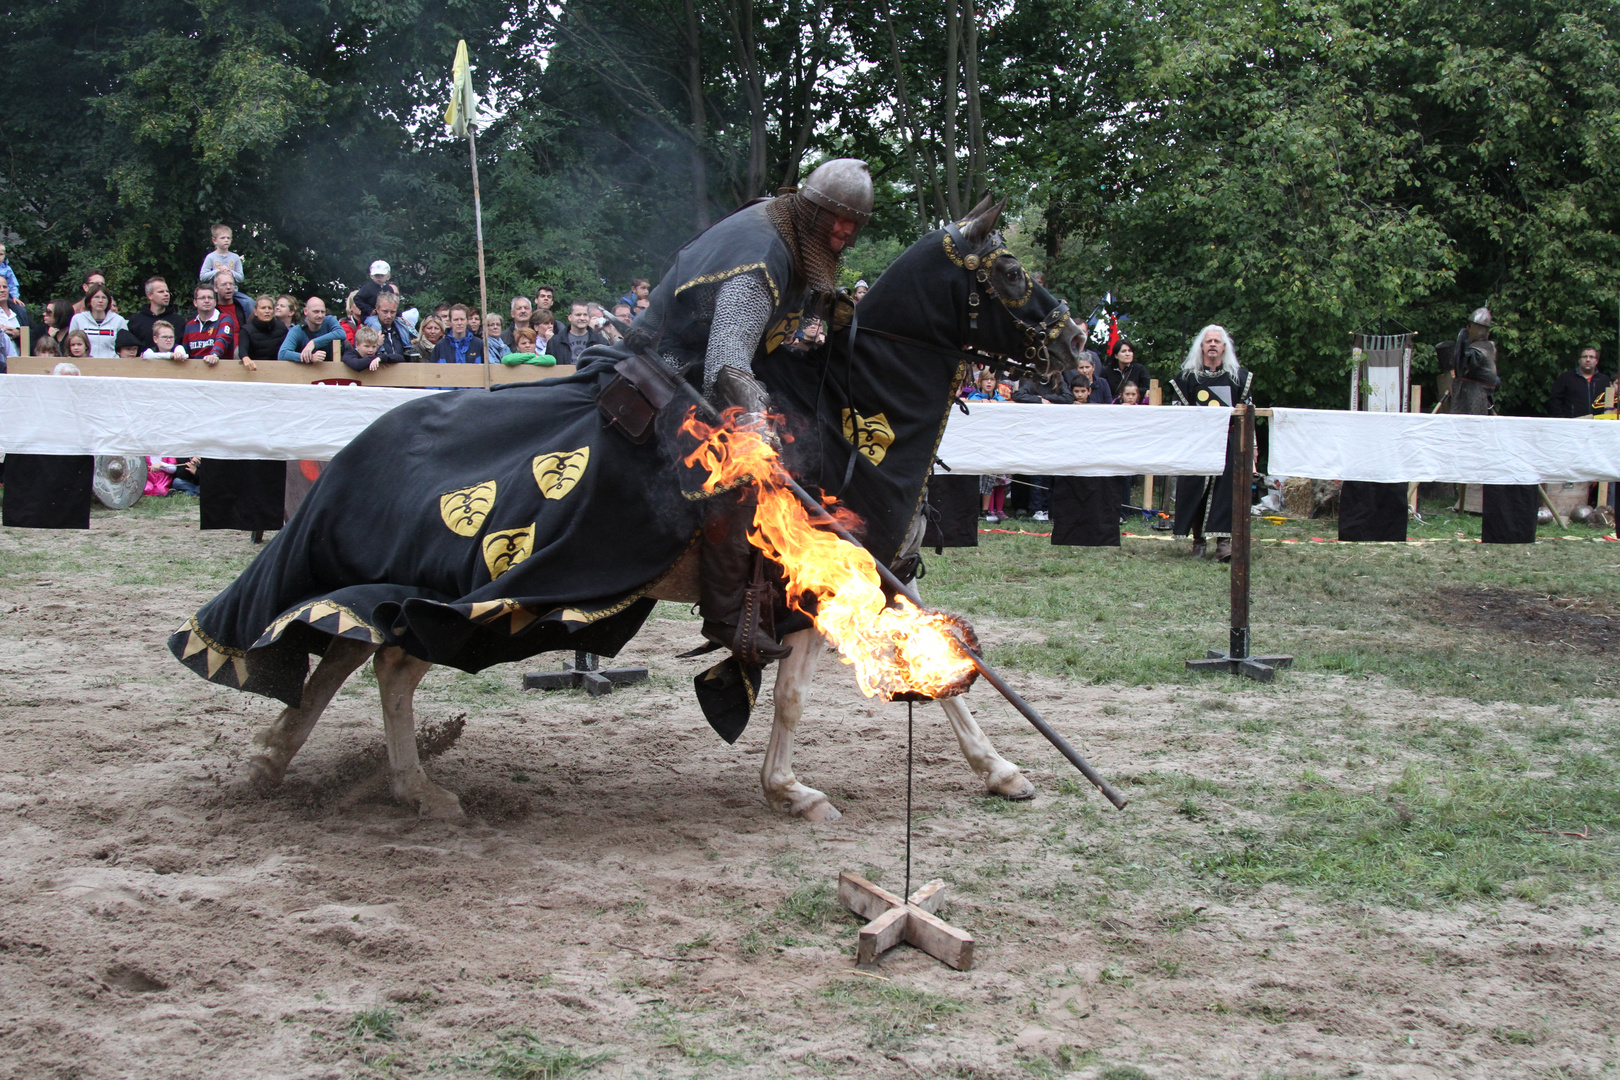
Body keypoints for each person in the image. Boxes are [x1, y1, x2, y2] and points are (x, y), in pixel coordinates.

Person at [631, 157, 874, 661]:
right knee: (741, 472)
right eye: (837, 217)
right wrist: (756, 428)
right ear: (811, 210)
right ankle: (727, 618)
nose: (845, 231)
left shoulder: (790, 232)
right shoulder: (763, 254)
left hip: (706, 363)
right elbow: (726, 360)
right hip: (671, 368)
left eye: (855, 222)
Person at [1170, 324, 1253, 561]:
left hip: (1229, 443)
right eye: (1209, 341)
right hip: (1197, 443)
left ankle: (1224, 543)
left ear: (1224, 347)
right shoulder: (1187, 379)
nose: (1213, 345)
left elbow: (1248, 416)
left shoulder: (1239, 378)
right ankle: (1198, 541)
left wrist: (1252, 447)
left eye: (1217, 341)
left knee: (1227, 492)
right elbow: (1179, 417)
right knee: (1196, 489)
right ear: (1202, 346)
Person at [183, 284, 251, 368]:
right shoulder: (190, 325)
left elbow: (223, 338)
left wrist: (214, 354)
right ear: (195, 302)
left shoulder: (225, 319)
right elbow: (185, 353)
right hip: (195, 372)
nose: (206, 300)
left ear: (215, 302)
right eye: (202, 298)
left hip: (221, 371)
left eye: (210, 297)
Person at [1548, 346, 1611, 418]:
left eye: (1591, 357)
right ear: (1579, 360)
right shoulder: (1566, 378)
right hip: (1573, 423)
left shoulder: (1603, 380)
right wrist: (1561, 419)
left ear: (1597, 361)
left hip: (1597, 423)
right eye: (1584, 357)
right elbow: (1555, 400)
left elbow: (1608, 403)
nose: (1588, 360)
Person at [127, 277, 184, 351]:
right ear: (150, 295)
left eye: (167, 291)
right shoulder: (136, 321)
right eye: (161, 292)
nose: (166, 294)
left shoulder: (179, 321)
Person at [68, 284, 127, 357]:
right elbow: (70, 344)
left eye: (104, 298)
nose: (100, 301)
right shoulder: (78, 319)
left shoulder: (119, 320)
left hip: (112, 364)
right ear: (89, 300)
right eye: (96, 297)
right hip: (85, 364)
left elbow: (125, 346)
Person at [365, 292, 415, 364]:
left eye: (392, 312)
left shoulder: (402, 328)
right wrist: (376, 346)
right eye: (385, 312)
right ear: (377, 309)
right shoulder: (367, 331)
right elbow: (361, 358)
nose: (389, 316)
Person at [243, 294, 289, 364]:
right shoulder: (246, 330)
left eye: (270, 308)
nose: (267, 311)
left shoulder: (282, 327)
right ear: (255, 312)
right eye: (263, 308)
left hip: (279, 368)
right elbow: (243, 352)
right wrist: (245, 358)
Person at [0, 280, 27, 358]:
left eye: (5, 287)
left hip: (20, 363)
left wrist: (20, 333)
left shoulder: (20, 311)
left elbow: (34, 333)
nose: (2, 290)